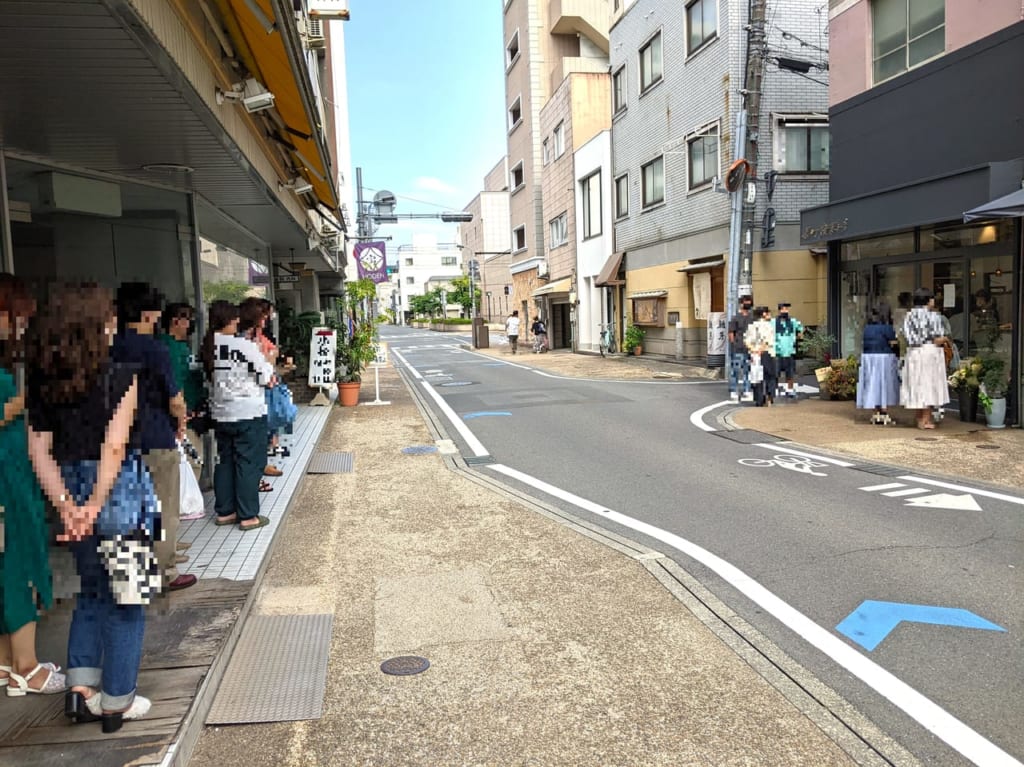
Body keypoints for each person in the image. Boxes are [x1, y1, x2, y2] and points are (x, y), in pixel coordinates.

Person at [25, 283, 159, 731]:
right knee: (128, 597)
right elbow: (115, 446)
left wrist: (68, 506)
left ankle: (80, 688)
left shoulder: (45, 382)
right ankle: (116, 701)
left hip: (70, 488)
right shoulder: (121, 375)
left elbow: (39, 451)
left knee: (92, 590)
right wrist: (98, 503)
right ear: (97, 324)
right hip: (117, 494)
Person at [0, 274, 66, 696]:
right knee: (18, 565)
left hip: (10, 477)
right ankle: (27, 667)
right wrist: (30, 397)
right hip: (6, 485)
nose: (20, 327)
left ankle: (7, 665)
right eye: (16, 317)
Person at [112, 283, 195, 592]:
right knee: (162, 507)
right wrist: (181, 420)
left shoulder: (108, 346)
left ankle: (132, 573)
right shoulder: (155, 348)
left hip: (116, 441)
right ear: (149, 313)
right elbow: (174, 398)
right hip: (156, 435)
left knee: (128, 509)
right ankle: (164, 573)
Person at [201, 300, 275, 531]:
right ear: (229, 320)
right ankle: (248, 516)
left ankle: (225, 512)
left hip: (221, 413)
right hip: (247, 412)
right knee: (248, 463)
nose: (237, 321)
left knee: (225, 462)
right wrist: (270, 358)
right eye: (234, 318)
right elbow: (267, 377)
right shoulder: (242, 346)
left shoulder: (208, 346)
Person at [239, 298, 281, 484]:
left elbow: (272, 352)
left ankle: (261, 467)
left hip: (254, 395)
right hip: (249, 399)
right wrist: (268, 359)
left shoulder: (257, 336)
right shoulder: (244, 341)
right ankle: (255, 478)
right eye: (264, 315)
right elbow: (264, 365)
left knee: (264, 428)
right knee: (251, 442)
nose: (267, 319)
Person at [900, 288, 949, 430]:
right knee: (929, 385)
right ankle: (926, 420)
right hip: (929, 352)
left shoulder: (908, 316)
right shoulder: (933, 316)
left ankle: (918, 418)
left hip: (913, 353)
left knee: (917, 385)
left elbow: (905, 335)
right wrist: (945, 339)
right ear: (928, 300)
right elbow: (936, 339)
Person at [857, 308, 900, 425]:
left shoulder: (867, 328)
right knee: (884, 384)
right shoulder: (887, 328)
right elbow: (893, 342)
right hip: (884, 357)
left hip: (868, 358)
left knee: (872, 384)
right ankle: (884, 412)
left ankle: (876, 412)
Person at [744, 306, 777, 407]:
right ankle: (769, 396)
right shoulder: (768, 326)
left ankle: (759, 400)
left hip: (754, 354)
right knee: (770, 376)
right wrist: (761, 349)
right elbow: (769, 341)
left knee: (756, 377)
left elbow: (747, 341)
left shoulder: (752, 326)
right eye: (768, 313)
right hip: (766, 353)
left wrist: (754, 350)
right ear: (764, 314)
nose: (770, 315)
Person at [774, 302, 804, 399]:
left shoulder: (792, 321)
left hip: (789, 351)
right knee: (775, 372)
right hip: (777, 351)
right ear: (779, 310)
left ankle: (790, 390)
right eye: (783, 309)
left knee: (790, 372)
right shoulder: (774, 322)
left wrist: (799, 335)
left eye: (786, 309)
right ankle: (774, 389)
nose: (785, 311)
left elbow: (801, 329)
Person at [727, 296, 753, 401]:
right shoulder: (735, 318)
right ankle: (733, 390)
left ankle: (747, 390)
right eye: (746, 302)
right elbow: (731, 333)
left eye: (749, 302)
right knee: (735, 371)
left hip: (750, 348)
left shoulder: (752, 317)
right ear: (741, 303)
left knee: (749, 371)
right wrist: (733, 344)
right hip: (738, 348)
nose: (748, 304)